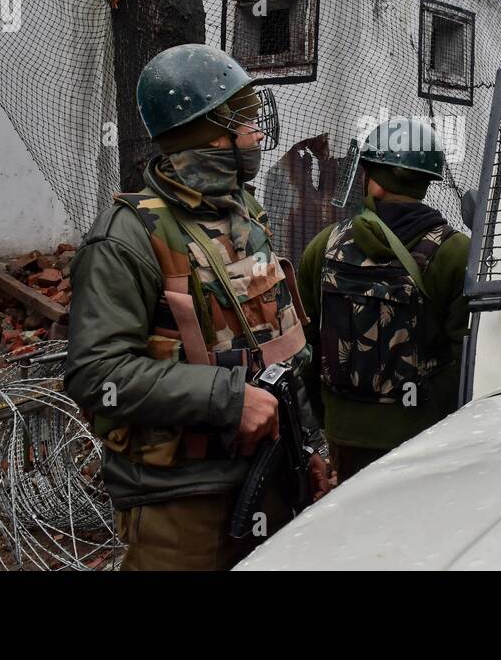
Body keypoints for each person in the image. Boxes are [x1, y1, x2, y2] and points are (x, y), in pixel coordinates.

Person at [65, 44, 332, 570]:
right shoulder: (125, 237)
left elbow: (281, 346)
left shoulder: (245, 214)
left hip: (273, 473)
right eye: (244, 119)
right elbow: (96, 374)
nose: (258, 132)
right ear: (206, 131)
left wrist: (311, 445)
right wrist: (228, 399)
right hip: (182, 502)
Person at [297, 117, 471, 483]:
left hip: (343, 436)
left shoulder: (324, 246)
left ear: (372, 180)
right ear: (426, 181)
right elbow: (464, 358)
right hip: (423, 436)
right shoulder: (458, 252)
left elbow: (307, 349)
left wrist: (327, 424)